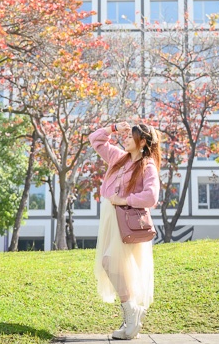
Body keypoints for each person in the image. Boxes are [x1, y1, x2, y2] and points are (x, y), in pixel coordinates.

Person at [89, 120, 162, 340]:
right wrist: (113, 128)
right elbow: (95, 139)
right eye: (126, 135)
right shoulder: (118, 157)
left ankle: (131, 311)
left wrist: (125, 199)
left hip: (127, 220)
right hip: (111, 219)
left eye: (131, 136)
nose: (126, 138)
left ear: (142, 142)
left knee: (109, 262)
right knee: (118, 267)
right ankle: (130, 320)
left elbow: (151, 197)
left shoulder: (147, 165)